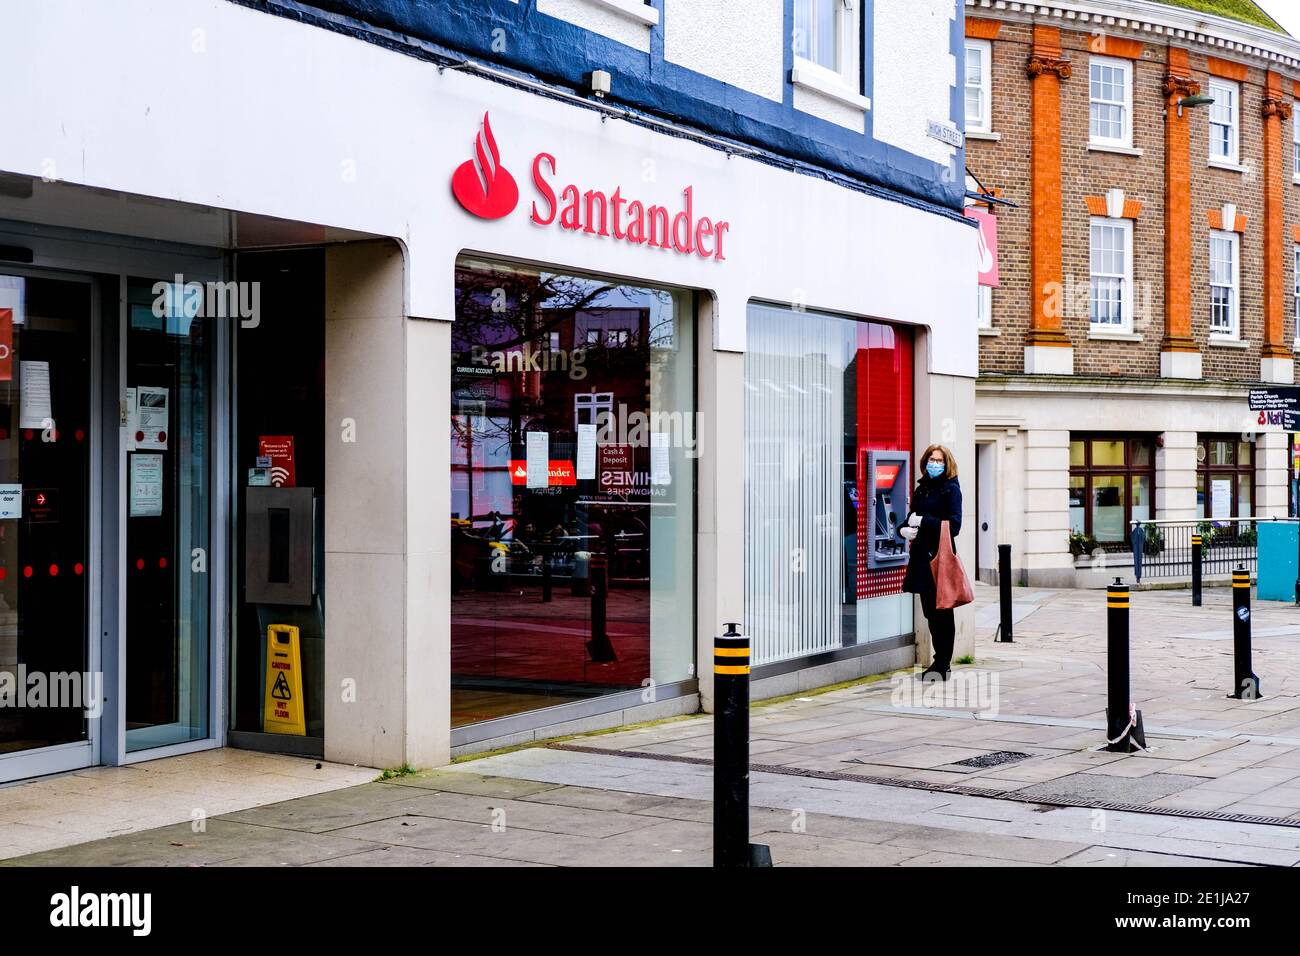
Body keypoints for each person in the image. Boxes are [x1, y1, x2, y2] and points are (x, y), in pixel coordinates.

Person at [899, 444, 962, 681]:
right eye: (931, 460)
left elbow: (954, 525)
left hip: (939, 558)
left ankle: (942, 663)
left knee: (942, 612)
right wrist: (902, 529)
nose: (934, 464)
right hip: (921, 559)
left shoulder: (950, 489)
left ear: (946, 464)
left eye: (939, 460)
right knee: (929, 613)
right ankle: (939, 661)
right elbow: (910, 518)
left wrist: (924, 521)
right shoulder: (922, 488)